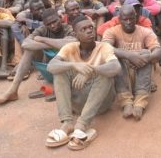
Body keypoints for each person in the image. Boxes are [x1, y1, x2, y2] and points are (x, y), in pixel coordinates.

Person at [45, 16, 121, 150]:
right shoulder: (70, 47)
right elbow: (51, 66)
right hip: (77, 105)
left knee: (105, 74)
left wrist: (90, 71)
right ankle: (67, 122)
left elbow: (116, 67)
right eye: (84, 29)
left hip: (100, 104)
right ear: (75, 34)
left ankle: (81, 125)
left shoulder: (104, 47)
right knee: (60, 71)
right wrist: (73, 65)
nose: (89, 31)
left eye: (91, 27)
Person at [0, 9, 76, 105]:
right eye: (49, 24)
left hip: (66, 71)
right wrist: (54, 44)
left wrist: (43, 40)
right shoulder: (43, 29)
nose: (53, 25)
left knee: (70, 48)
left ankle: (64, 90)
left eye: (55, 21)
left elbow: (72, 42)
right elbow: (25, 44)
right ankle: (12, 90)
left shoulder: (68, 28)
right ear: (45, 24)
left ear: (60, 18)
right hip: (47, 67)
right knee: (29, 51)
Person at [102, 5, 161, 120]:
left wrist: (144, 58)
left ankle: (140, 103)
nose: (129, 22)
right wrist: (129, 55)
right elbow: (104, 48)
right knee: (115, 56)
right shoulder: (111, 31)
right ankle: (126, 102)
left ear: (136, 18)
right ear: (119, 19)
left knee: (145, 53)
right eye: (125, 19)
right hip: (122, 74)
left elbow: (159, 52)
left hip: (140, 72)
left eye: (131, 18)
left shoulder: (145, 31)